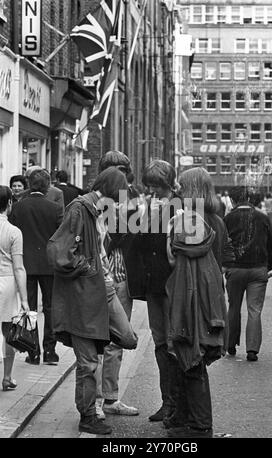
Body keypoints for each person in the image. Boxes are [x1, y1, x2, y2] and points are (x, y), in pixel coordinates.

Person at [48, 167, 138, 435]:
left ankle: (93, 343)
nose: (120, 204)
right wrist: (88, 268)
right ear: (110, 192)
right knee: (88, 363)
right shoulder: (80, 209)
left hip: (103, 289)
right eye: (119, 197)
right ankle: (88, 415)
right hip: (84, 294)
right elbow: (58, 252)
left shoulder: (98, 212)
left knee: (128, 338)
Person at [165, 167, 234, 438]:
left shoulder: (187, 220)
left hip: (193, 295)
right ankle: (188, 419)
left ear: (191, 189)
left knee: (190, 357)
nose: (178, 190)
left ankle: (199, 425)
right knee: (194, 356)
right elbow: (227, 256)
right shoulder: (218, 219)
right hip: (213, 295)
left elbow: (172, 259)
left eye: (182, 186)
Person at [95, 151, 144, 418]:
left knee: (110, 340)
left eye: (122, 172)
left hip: (117, 274)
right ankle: (101, 400)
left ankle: (108, 399)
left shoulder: (130, 199)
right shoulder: (97, 200)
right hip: (106, 275)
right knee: (102, 340)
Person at [139, 159, 181, 425]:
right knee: (160, 342)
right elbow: (141, 241)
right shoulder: (149, 206)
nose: (152, 189)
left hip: (172, 284)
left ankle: (175, 404)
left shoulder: (181, 206)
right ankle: (167, 401)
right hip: (154, 284)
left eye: (156, 184)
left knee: (173, 342)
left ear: (167, 183)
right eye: (150, 185)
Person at [10, 169, 63, 365]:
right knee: (50, 308)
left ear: (30, 184)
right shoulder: (55, 208)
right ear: (48, 185)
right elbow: (62, 236)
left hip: (25, 264)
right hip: (49, 265)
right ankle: (50, 351)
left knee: (29, 308)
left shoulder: (18, 207)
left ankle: (33, 352)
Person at [223, 186, 272, 362]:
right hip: (258, 270)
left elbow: (223, 244)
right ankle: (252, 350)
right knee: (254, 310)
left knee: (233, 307)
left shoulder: (228, 218)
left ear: (233, 200)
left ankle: (230, 344)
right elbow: (271, 243)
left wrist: (224, 265)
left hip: (235, 269)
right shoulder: (262, 217)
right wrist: (271, 265)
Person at [0, 186, 30, 391]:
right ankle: (7, 377)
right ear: (9, 203)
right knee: (8, 331)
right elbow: (19, 267)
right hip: (8, 282)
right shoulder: (14, 232)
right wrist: (25, 300)